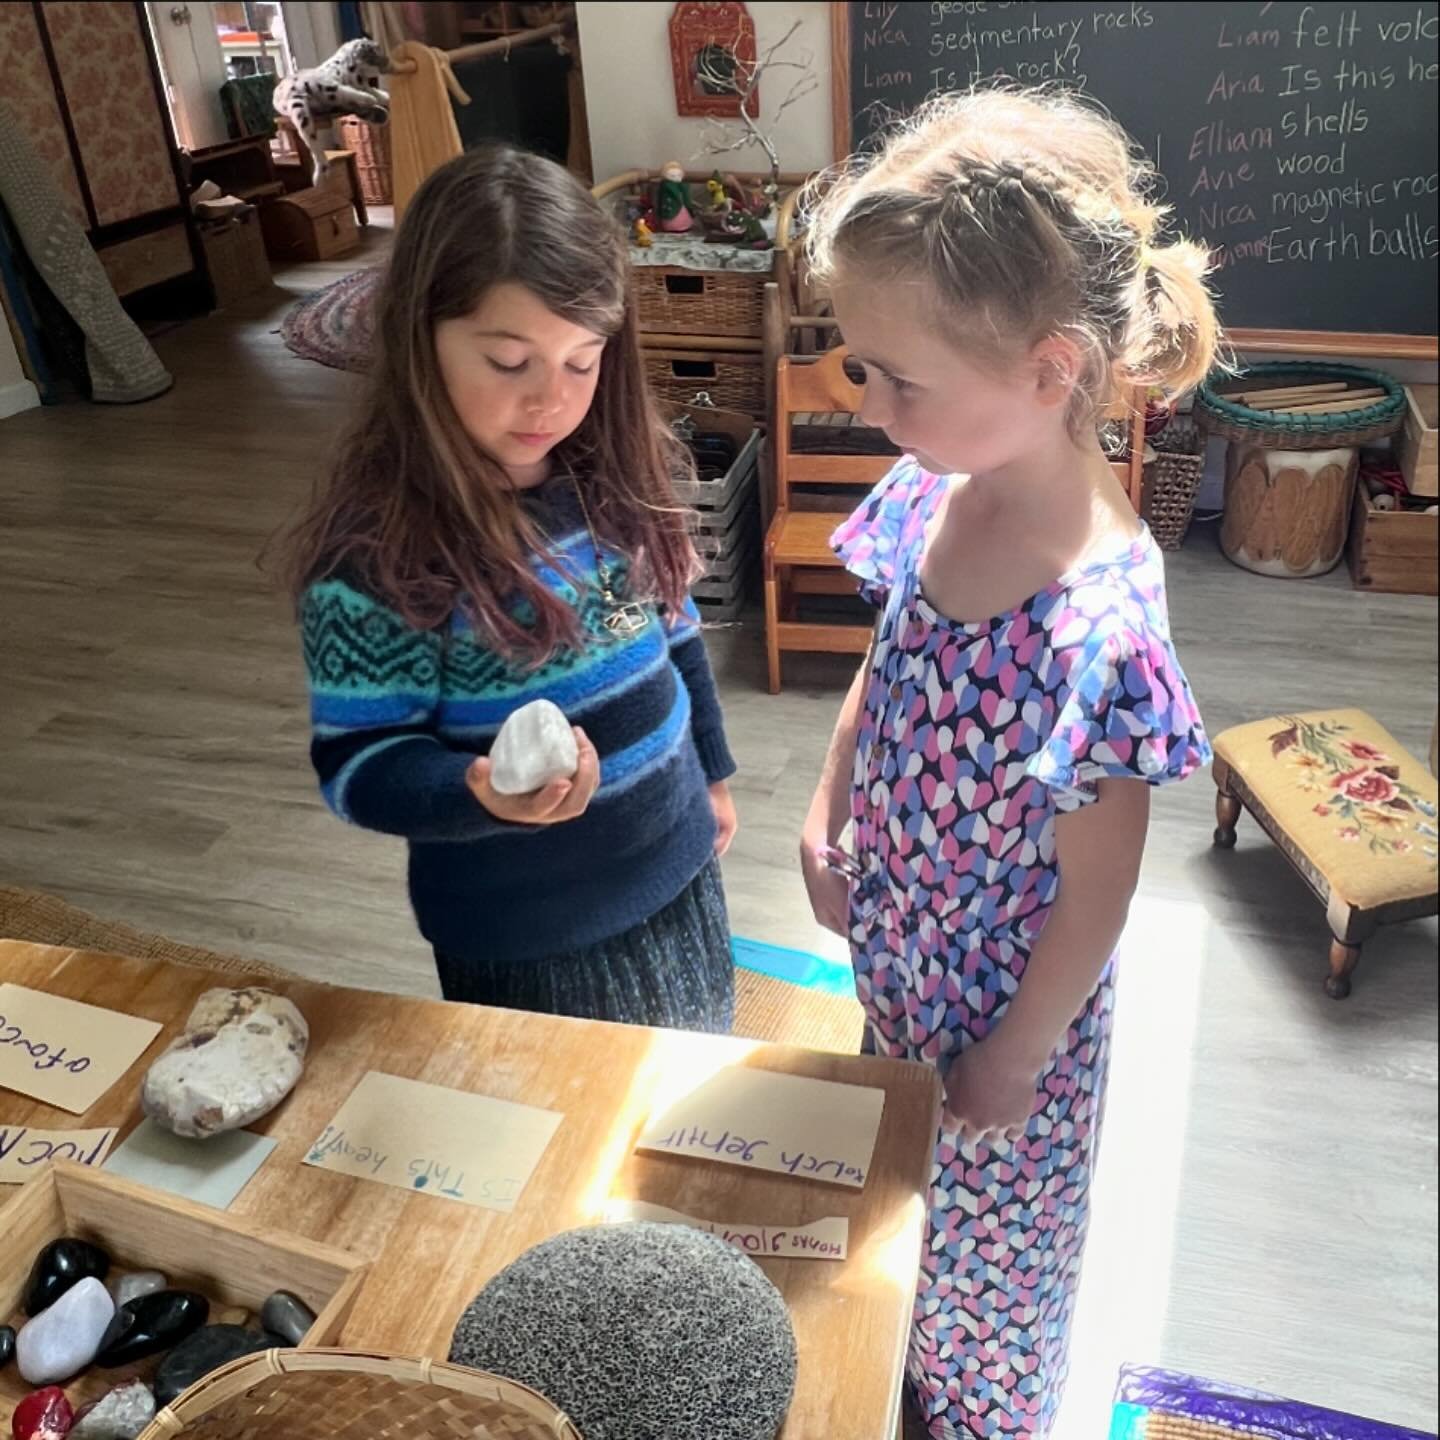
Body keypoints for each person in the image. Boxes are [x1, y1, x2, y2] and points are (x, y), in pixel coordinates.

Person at [797, 88, 1217, 1437]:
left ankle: (969, 1411)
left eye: (894, 376)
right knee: (896, 1215)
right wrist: (830, 802)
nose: (866, 403)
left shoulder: (1098, 622)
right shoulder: (935, 482)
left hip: (1006, 1029)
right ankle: (891, 1369)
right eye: (860, 364)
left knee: (993, 1280)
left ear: (1046, 373)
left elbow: (1098, 894)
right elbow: (893, 655)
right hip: (901, 970)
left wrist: (1018, 1058)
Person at [280, 145, 738, 1031]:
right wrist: (477, 793)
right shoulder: (378, 557)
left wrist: (712, 775)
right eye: (508, 361)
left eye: (581, 361)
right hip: (531, 936)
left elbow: (674, 638)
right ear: (422, 339)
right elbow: (359, 766)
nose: (550, 402)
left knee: (687, 1084)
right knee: (568, 1144)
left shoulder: (611, 486)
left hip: (678, 868)